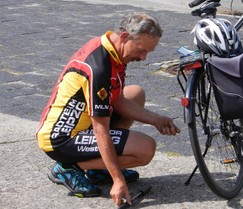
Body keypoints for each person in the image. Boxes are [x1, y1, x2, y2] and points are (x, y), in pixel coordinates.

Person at [36, 12, 180, 206]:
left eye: (148, 52)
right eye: (140, 50)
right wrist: (118, 179)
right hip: (61, 139)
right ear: (124, 37)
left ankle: (98, 169)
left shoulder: (111, 49)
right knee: (145, 149)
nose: (143, 57)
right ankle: (67, 168)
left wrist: (155, 119)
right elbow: (100, 129)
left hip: (82, 125)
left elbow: (117, 101)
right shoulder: (99, 68)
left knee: (136, 93)